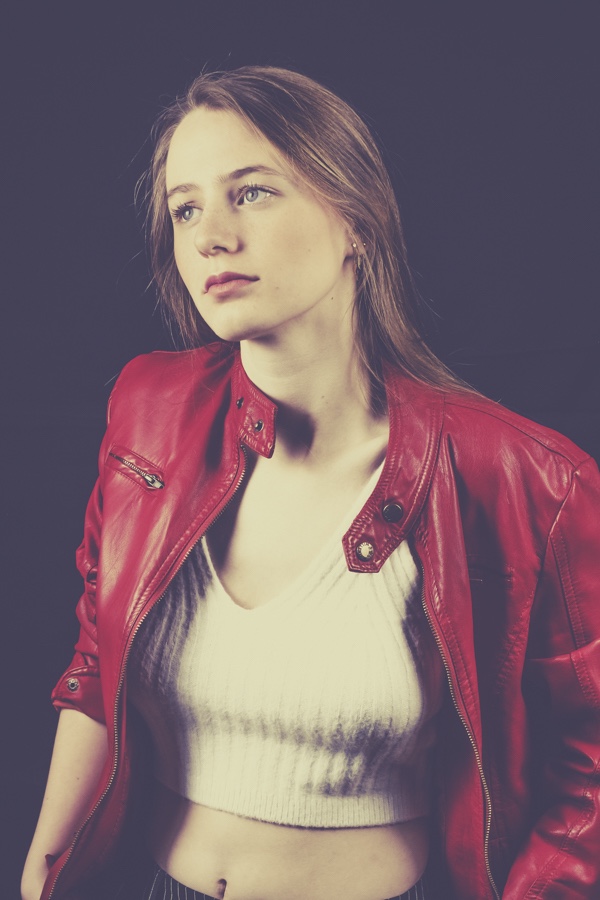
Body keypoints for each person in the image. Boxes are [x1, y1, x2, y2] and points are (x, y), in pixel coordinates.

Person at [21, 66, 600, 900]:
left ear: (355, 218)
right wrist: (43, 870)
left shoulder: (528, 479)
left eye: (251, 193)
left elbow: (590, 761)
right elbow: (94, 658)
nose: (211, 237)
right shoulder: (150, 409)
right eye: (186, 209)